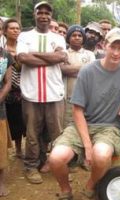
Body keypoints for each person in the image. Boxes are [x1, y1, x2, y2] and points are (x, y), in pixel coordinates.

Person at [49, 28, 120, 200]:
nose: (115, 52)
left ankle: (89, 189)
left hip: (110, 126)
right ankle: (65, 192)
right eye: (112, 46)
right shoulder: (88, 71)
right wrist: (87, 144)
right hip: (82, 124)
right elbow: (77, 109)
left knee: (101, 155)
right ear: (104, 45)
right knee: (56, 158)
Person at [16, 1, 67, 184]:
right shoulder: (24, 36)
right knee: (32, 133)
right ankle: (31, 166)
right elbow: (22, 58)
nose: (44, 16)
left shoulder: (59, 38)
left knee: (55, 133)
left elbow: (62, 57)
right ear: (35, 15)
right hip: (31, 93)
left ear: (51, 16)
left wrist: (35, 54)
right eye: (40, 12)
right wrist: (50, 57)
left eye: (47, 13)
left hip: (54, 93)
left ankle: (52, 162)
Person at [60, 25, 95, 128]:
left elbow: (91, 73)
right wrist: (84, 68)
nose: (77, 37)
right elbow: (62, 70)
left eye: (80, 35)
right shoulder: (63, 54)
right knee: (67, 127)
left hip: (85, 98)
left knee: (84, 125)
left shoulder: (90, 54)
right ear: (68, 38)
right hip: (67, 99)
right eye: (73, 35)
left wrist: (70, 69)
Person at [3, 18, 25, 159]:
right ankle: (4, 151)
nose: (15, 31)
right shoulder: (1, 49)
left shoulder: (23, 47)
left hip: (20, 89)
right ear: (5, 31)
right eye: (12, 28)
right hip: (4, 89)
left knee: (18, 119)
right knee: (5, 121)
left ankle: (18, 149)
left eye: (17, 28)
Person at [0, 46, 13, 197]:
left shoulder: (6, 55)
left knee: (1, 144)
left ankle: (1, 181)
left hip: (0, 107)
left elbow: (8, 82)